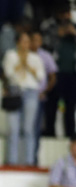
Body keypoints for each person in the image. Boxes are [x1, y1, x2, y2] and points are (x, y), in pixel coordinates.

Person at [3, 30, 45, 166]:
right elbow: (9, 73)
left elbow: (40, 77)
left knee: (28, 128)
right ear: (17, 42)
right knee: (13, 128)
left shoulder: (35, 58)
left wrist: (28, 65)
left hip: (31, 92)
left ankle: (29, 161)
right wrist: (20, 62)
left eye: (28, 42)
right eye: (23, 41)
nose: (26, 44)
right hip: (15, 91)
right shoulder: (11, 55)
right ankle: (12, 160)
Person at [40, 1, 76, 139]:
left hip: (71, 72)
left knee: (70, 105)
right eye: (63, 13)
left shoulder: (73, 25)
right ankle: (50, 132)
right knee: (52, 105)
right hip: (53, 72)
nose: (65, 16)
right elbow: (43, 46)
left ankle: (70, 134)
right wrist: (58, 35)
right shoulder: (48, 25)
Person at [32, 30, 58, 154]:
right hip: (24, 97)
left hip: (39, 97)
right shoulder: (24, 53)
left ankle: (34, 156)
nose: (35, 43)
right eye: (33, 40)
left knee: (36, 128)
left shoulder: (45, 56)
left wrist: (45, 91)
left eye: (38, 40)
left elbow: (53, 77)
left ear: (41, 42)